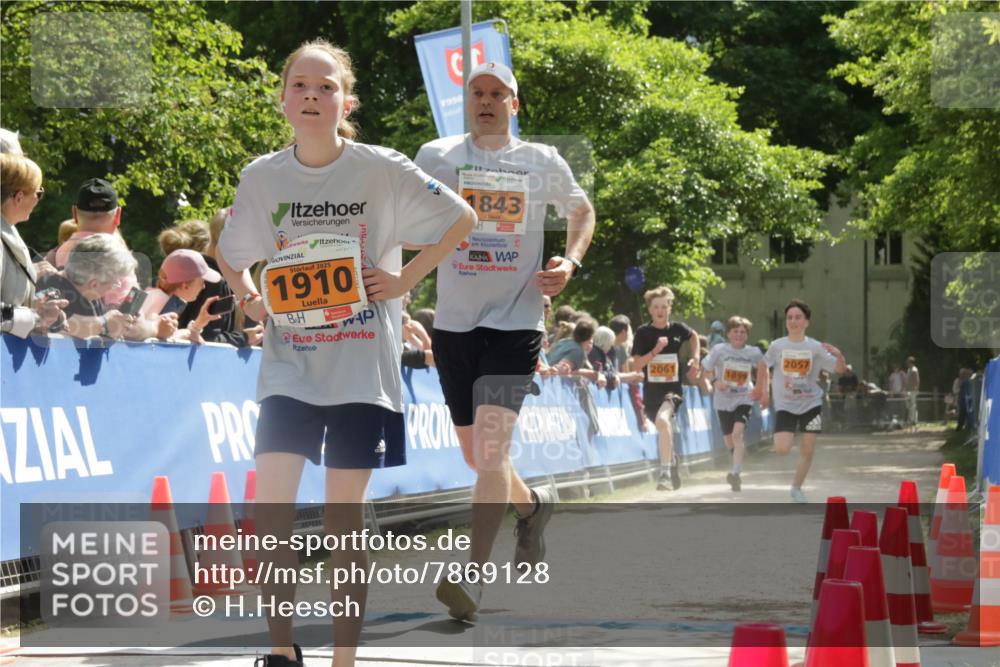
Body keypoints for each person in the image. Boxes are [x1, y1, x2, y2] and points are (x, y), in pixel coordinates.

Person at [215, 39, 474, 667]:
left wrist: (407, 280)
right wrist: (251, 302)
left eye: (325, 86)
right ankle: (280, 652)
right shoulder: (262, 175)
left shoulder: (379, 167)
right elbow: (231, 247)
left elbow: (461, 219)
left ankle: (344, 659)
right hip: (289, 366)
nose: (311, 95)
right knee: (270, 513)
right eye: (300, 85)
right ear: (282, 99)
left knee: (342, 521)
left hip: (362, 370)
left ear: (345, 101)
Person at [415, 61, 595, 622]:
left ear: (514, 105)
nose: (487, 101)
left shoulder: (540, 161)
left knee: (491, 451)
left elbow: (582, 210)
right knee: (478, 456)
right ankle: (532, 508)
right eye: (478, 92)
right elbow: (401, 214)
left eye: (499, 93)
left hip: (517, 322)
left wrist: (570, 260)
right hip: (453, 322)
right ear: (466, 101)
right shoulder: (436, 156)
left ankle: (474, 577)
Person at [757, 299, 846, 503]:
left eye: (798, 317)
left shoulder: (815, 348)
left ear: (806, 322)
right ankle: (790, 433)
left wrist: (839, 356)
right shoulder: (777, 346)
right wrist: (763, 392)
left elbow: (839, 369)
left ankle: (796, 488)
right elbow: (763, 365)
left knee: (807, 449)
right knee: (782, 449)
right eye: (790, 318)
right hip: (785, 405)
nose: (793, 321)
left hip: (811, 404)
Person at [630, 285, 700, 491]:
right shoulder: (643, 333)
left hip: (673, 389)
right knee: (661, 426)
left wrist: (696, 358)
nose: (660, 310)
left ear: (669, 308)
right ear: (650, 310)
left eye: (664, 306)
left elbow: (694, 336)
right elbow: (636, 365)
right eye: (656, 307)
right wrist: (655, 351)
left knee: (663, 420)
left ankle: (664, 474)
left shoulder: (678, 329)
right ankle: (672, 459)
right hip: (651, 392)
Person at [1, 153, 66, 336]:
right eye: (38, 193)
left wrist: (42, 308)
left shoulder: (9, 233)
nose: (38, 199)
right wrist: (36, 317)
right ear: (19, 197)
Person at [35, 234, 139, 339]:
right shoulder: (49, 286)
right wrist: (104, 324)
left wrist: (119, 324)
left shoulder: (89, 297)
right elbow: (55, 321)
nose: (118, 285)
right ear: (94, 284)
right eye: (115, 282)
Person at [702, 316, 763, 492]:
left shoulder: (753, 352)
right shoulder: (719, 350)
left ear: (747, 335)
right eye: (735, 331)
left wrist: (761, 389)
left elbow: (764, 369)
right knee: (729, 439)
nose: (739, 335)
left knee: (737, 435)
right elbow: (705, 369)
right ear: (728, 334)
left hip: (744, 397)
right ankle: (736, 456)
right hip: (723, 400)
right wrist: (715, 382)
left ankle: (735, 473)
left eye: (743, 332)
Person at [139, 249, 224, 344]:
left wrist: (197, 325)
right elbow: (156, 344)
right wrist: (187, 333)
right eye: (202, 281)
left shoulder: (154, 295)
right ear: (185, 285)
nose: (203, 287)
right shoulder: (164, 302)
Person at [904, 355, 920, 428]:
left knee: (913, 405)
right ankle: (911, 419)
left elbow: (917, 380)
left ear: (911, 363)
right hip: (908, 390)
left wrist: (916, 388)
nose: (907, 363)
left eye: (908, 362)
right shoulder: (908, 370)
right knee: (909, 405)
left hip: (913, 390)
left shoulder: (914, 370)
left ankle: (913, 421)